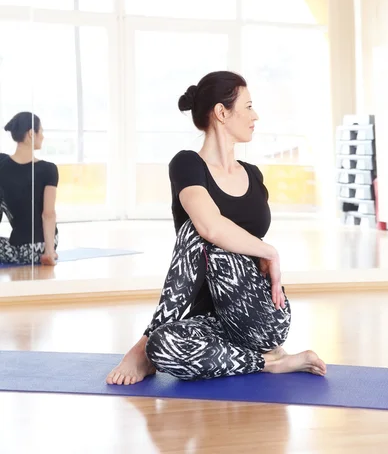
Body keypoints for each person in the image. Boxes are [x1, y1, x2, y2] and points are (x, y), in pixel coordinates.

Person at [107, 71, 326, 384]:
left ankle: (142, 347)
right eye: (248, 107)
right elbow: (209, 225)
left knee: (195, 231)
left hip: (261, 315)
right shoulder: (187, 164)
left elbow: (211, 230)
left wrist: (263, 251)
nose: (256, 116)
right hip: (211, 321)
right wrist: (267, 250)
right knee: (164, 346)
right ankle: (268, 361)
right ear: (222, 113)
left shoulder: (252, 174)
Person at [0, 112, 59, 266]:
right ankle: (43, 253)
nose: (43, 136)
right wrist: (49, 250)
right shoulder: (48, 169)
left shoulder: (2, 164)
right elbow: (49, 214)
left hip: (19, 247)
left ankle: (40, 254)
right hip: (41, 246)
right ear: (32, 133)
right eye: (42, 131)